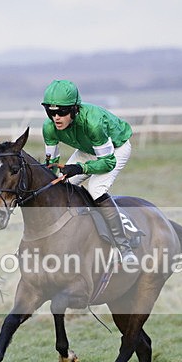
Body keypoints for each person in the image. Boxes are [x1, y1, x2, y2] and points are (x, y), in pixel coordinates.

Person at [41, 79, 138, 264]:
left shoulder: (92, 123)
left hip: (115, 149)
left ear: (75, 109)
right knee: (62, 186)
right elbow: (51, 166)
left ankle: (124, 247)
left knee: (96, 189)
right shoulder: (49, 127)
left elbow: (107, 162)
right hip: (88, 149)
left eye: (62, 112)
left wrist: (80, 168)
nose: (56, 118)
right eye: (51, 112)